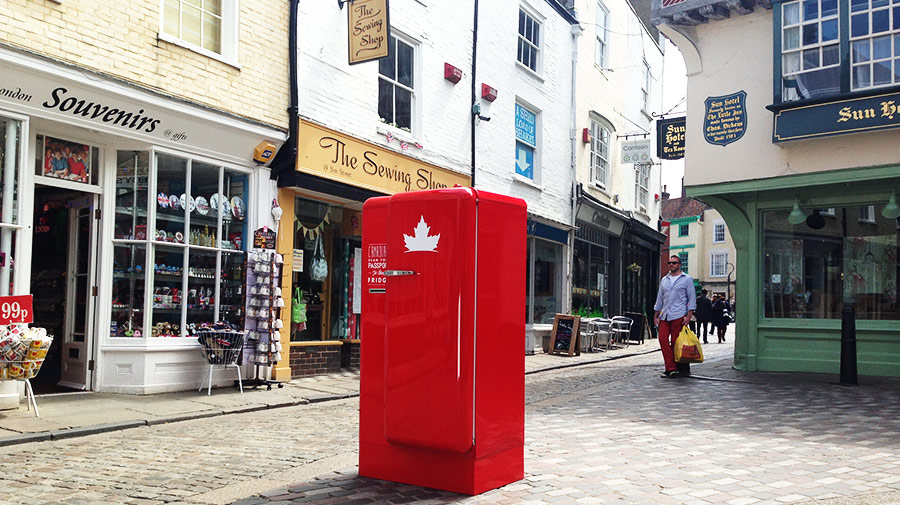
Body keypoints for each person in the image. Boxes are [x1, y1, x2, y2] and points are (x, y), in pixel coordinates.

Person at [653, 255, 696, 378]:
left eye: (674, 263)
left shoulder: (687, 279)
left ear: (679, 265)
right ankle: (670, 367)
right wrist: (656, 314)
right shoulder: (664, 280)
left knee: (677, 343)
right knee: (662, 339)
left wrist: (688, 316)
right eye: (669, 263)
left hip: (679, 314)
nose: (671, 265)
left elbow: (691, 298)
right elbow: (660, 298)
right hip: (665, 315)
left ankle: (676, 368)